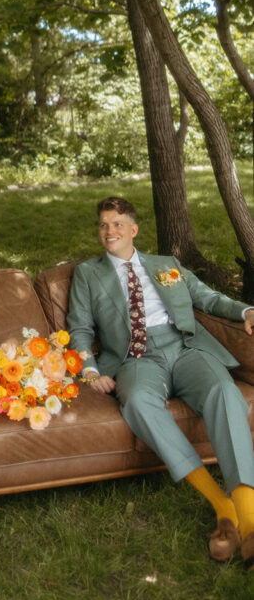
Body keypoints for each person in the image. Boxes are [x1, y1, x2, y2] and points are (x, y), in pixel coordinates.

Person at [67, 195, 254, 570]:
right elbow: (80, 329)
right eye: (103, 224)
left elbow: (207, 298)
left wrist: (247, 310)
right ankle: (221, 505)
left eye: (117, 223)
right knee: (136, 402)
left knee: (223, 391)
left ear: (133, 230)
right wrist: (89, 370)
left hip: (185, 347)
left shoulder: (167, 265)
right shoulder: (88, 274)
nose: (109, 231)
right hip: (135, 358)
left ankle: (248, 520)